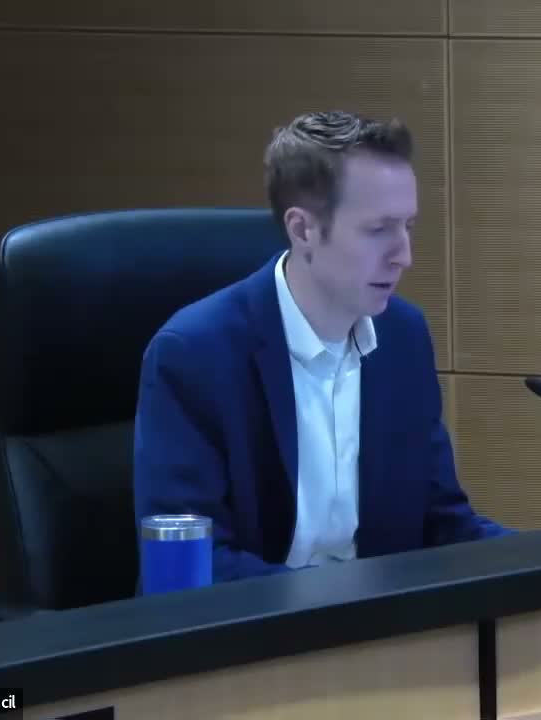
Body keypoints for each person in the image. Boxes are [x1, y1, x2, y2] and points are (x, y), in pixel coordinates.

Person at [132, 110, 513, 582]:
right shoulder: (194, 356)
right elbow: (189, 566)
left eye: (408, 227)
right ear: (303, 230)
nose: (405, 256)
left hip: (378, 620)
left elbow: (442, 525)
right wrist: (340, 606)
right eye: (379, 230)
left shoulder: (404, 338)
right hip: (256, 625)